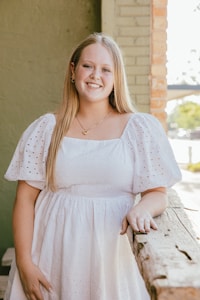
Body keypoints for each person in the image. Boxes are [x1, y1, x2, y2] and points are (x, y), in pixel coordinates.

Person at [4, 32, 181, 300]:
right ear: (73, 71)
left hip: (113, 257)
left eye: (105, 69)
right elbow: (25, 199)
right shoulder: (46, 128)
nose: (95, 75)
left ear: (116, 78)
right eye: (88, 66)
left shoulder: (139, 128)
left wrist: (143, 208)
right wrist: (25, 263)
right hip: (53, 251)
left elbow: (158, 193)